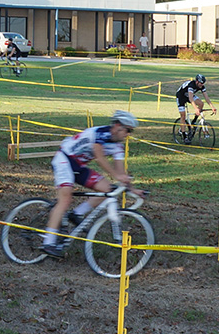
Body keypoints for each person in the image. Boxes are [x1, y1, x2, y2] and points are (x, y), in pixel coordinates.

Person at [41, 110, 143, 257]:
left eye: (130, 131)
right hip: (64, 159)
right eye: (127, 130)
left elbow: (121, 172)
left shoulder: (118, 146)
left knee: (108, 190)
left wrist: (133, 189)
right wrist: (116, 175)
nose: (128, 134)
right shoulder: (101, 133)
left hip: (79, 166)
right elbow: (100, 157)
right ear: (117, 126)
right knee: (65, 199)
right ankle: (48, 242)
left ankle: (76, 214)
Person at [175, 74, 217, 144]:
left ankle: (194, 121)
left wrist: (212, 107)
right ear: (197, 81)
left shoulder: (202, 86)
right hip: (181, 97)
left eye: (203, 83)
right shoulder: (191, 85)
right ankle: (184, 136)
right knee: (183, 116)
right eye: (200, 83)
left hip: (188, 95)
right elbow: (191, 99)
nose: (202, 85)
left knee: (201, 104)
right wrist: (196, 109)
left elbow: (206, 98)